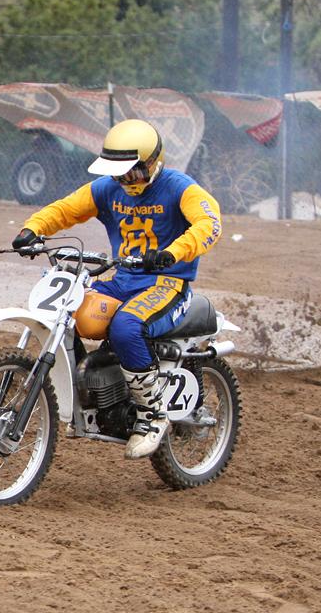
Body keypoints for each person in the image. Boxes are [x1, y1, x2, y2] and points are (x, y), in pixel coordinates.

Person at [12, 118, 222, 459]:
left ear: (152, 163)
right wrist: (33, 228)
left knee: (126, 326)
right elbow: (66, 209)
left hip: (167, 282)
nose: (126, 181)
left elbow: (209, 224)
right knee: (78, 315)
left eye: (132, 173)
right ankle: (92, 395)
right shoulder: (107, 189)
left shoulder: (181, 187)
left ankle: (153, 416)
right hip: (122, 278)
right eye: (119, 173)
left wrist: (171, 253)